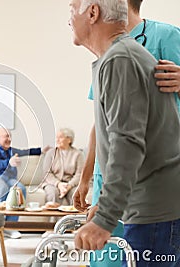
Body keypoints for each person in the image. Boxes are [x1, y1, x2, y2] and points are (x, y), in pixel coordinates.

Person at [68, 1, 180, 266]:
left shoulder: (123, 57)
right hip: (138, 202)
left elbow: (128, 142)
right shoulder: (115, 57)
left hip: (152, 207)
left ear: (93, 12)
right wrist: (104, 200)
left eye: (72, 9)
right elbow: (108, 128)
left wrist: (106, 216)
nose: (69, 18)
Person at [0, 127, 50, 239]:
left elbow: (25, 151)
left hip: (7, 178)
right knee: (1, 187)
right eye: (6, 136)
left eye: (10, 136)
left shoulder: (10, 150)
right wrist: (8, 162)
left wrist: (41, 150)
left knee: (19, 189)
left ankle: (11, 227)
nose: (9, 139)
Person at [41, 128, 84, 205]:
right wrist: (58, 184)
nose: (57, 140)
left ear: (69, 140)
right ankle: (55, 217)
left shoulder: (78, 154)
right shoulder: (50, 153)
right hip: (52, 183)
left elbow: (79, 174)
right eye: (56, 138)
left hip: (71, 184)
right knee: (53, 193)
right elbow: (47, 173)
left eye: (60, 137)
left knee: (76, 195)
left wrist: (69, 186)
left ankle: (73, 217)